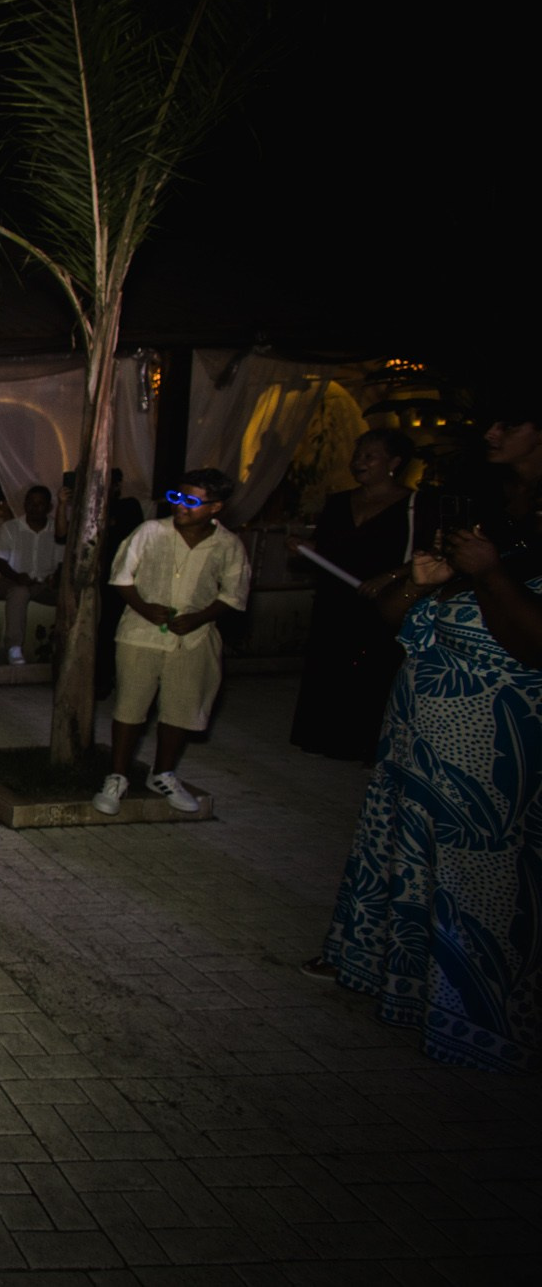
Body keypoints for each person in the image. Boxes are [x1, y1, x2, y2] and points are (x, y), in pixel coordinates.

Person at [309, 410, 541, 1072]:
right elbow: (401, 608)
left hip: (496, 743)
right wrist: (422, 581)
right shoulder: (485, 507)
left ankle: (475, 1007)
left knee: (482, 874)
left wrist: (490, 573)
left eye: (509, 423)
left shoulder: (506, 539)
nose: (492, 433)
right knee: (411, 856)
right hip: (423, 727)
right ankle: (408, 982)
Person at [93, 469, 252, 815]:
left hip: (194, 640)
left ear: (215, 507)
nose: (181, 506)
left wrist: (199, 617)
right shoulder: (151, 532)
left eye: (192, 501)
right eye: (177, 497)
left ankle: (162, 773)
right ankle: (117, 776)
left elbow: (233, 594)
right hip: (140, 634)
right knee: (130, 707)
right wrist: (144, 607)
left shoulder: (228, 545)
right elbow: (121, 577)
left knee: (180, 709)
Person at [287, 430, 431, 759]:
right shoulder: (339, 502)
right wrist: (304, 548)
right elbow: (328, 548)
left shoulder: (413, 504)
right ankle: (325, 737)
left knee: (373, 670)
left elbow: (426, 553)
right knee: (331, 664)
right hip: (337, 598)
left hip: (383, 602)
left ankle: (365, 744)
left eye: (370, 456)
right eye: (358, 456)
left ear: (394, 463)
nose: (359, 463)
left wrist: (389, 577)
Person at [93, 467, 148, 699]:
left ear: (116, 486)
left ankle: (110, 681)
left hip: (121, 580)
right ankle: (100, 680)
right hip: (94, 579)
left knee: (111, 630)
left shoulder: (128, 507)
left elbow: (131, 538)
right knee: (99, 631)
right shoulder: (87, 508)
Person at [0, 484, 62, 665]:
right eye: (30, 503)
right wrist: (18, 577)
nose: (34, 508)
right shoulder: (11, 528)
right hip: (12, 581)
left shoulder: (56, 529)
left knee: (72, 596)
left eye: (40, 504)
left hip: (42, 585)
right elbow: (0, 561)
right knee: (20, 592)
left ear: (48, 507)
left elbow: (61, 562)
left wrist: (55, 576)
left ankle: (64, 646)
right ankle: (14, 647)